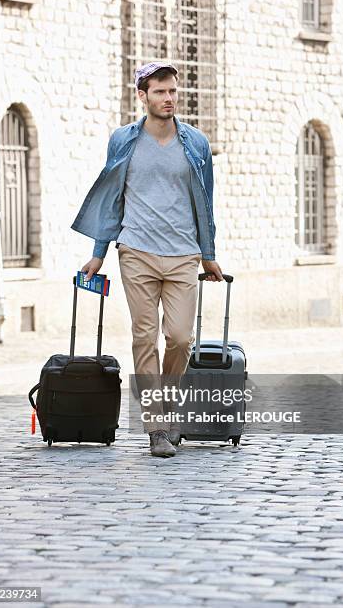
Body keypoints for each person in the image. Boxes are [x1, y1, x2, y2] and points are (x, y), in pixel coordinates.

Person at [71, 61, 223, 457]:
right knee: (144, 335)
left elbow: (206, 202)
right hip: (135, 250)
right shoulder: (123, 140)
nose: (169, 98)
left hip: (183, 253)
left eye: (173, 91)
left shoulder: (196, 143)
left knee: (180, 338)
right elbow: (112, 199)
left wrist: (208, 255)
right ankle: (156, 426)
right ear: (142, 96)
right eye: (160, 91)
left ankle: (170, 411)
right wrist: (98, 253)